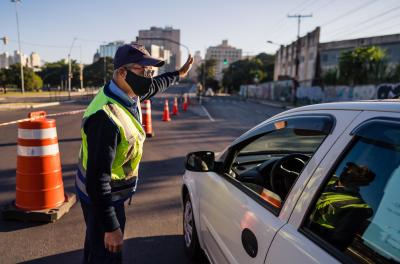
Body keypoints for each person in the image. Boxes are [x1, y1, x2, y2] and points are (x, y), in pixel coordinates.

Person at [75, 43, 193, 263]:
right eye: (143, 71)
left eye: (150, 71)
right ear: (122, 72)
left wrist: (178, 74)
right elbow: (97, 180)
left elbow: (157, 84)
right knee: (106, 255)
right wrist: (111, 227)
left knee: (94, 247)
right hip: (102, 198)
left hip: (109, 194)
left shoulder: (128, 91)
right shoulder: (105, 117)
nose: (149, 77)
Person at [309, 162, 375, 250]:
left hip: (310, 238)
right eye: (348, 169)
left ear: (364, 183)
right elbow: (311, 167)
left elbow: (337, 243)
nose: (348, 172)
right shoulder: (328, 176)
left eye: (358, 173)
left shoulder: (357, 206)